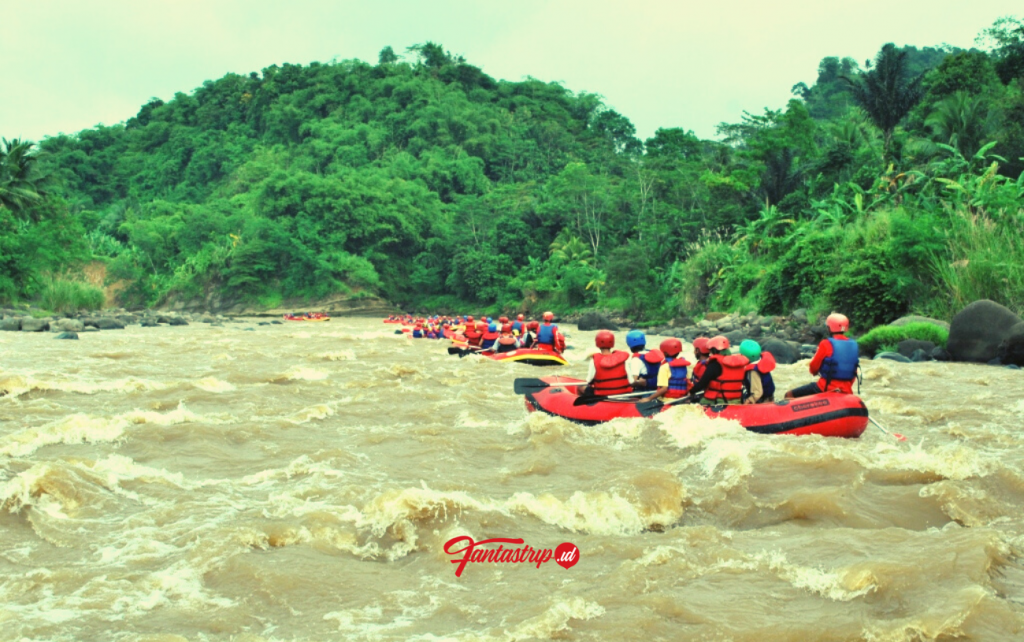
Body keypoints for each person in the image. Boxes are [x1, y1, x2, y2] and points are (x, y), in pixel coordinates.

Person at [785, 313, 859, 398]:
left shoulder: (826, 344)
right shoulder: (854, 345)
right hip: (847, 390)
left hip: (824, 387)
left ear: (829, 328)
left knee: (789, 394)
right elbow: (854, 372)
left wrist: (815, 372)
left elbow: (814, 367)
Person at [689, 336, 750, 406]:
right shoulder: (739, 364)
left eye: (711, 350)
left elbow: (702, 384)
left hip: (717, 401)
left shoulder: (714, 364)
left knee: (696, 403)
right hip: (737, 401)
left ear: (715, 350)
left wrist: (691, 391)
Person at [584, 331, 634, 397]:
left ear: (597, 343)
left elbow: (588, 380)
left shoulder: (593, 360)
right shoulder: (623, 360)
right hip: (624, 395)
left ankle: (584, 406)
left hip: (603, 396)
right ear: (612, 343)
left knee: (580, 387)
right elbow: (631, 381)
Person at [739, 340, 776, 404]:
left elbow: (757, 393)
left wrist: (748, 401)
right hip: (769, 397)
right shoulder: (762, 363)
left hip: (762, 401)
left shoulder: (753, 371)